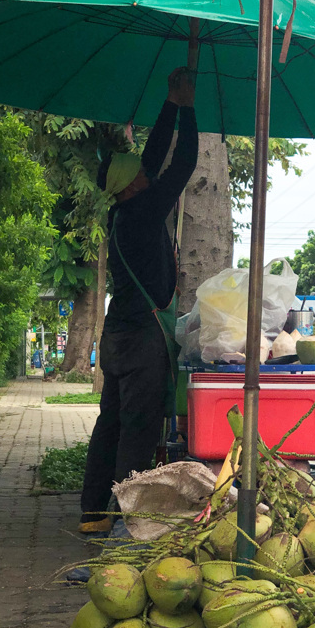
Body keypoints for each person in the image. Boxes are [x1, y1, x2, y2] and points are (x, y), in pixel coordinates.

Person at [79, 67, 198, 533]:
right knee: (138, 429)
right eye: (142, 176)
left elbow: (152, 158)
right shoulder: (144, 210)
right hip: (140, 341)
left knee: (110, 423)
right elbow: (183, 164)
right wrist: (188, 109)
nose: (149, 176)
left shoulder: (124, 208)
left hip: (117, 337)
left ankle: (93, 512)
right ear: (132, 186)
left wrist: (170, 103)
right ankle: (129, 525)